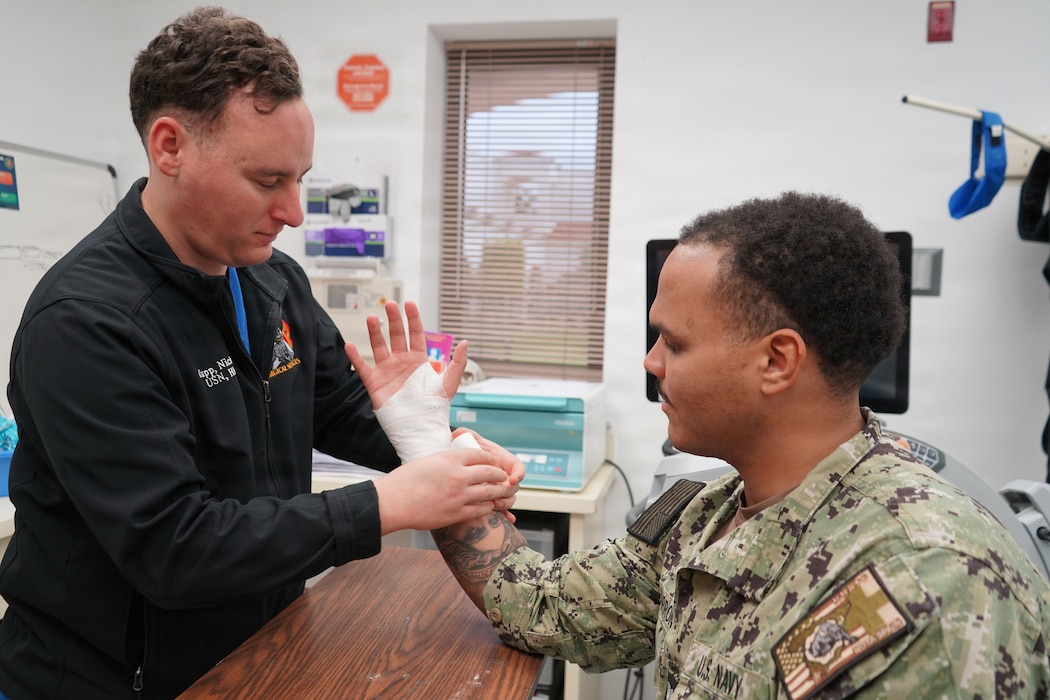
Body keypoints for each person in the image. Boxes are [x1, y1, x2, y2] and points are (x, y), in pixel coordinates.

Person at [0, 7, 521, 699]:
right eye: (267, 181)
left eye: (300, 178)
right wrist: (385, 504)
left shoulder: (270, 280)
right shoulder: (87, 323)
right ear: (169, 147)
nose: (295, 212)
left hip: (253, 652)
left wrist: (439, 447)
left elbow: (336, 408)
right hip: (110, 682)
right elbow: (175, 547)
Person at [427, 192, 1050, 698]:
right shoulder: (707, 516)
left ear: (777, 361)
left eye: (675, 343)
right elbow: (540, 605)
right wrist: (425, 439)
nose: (651, 362)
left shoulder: (926, 581)